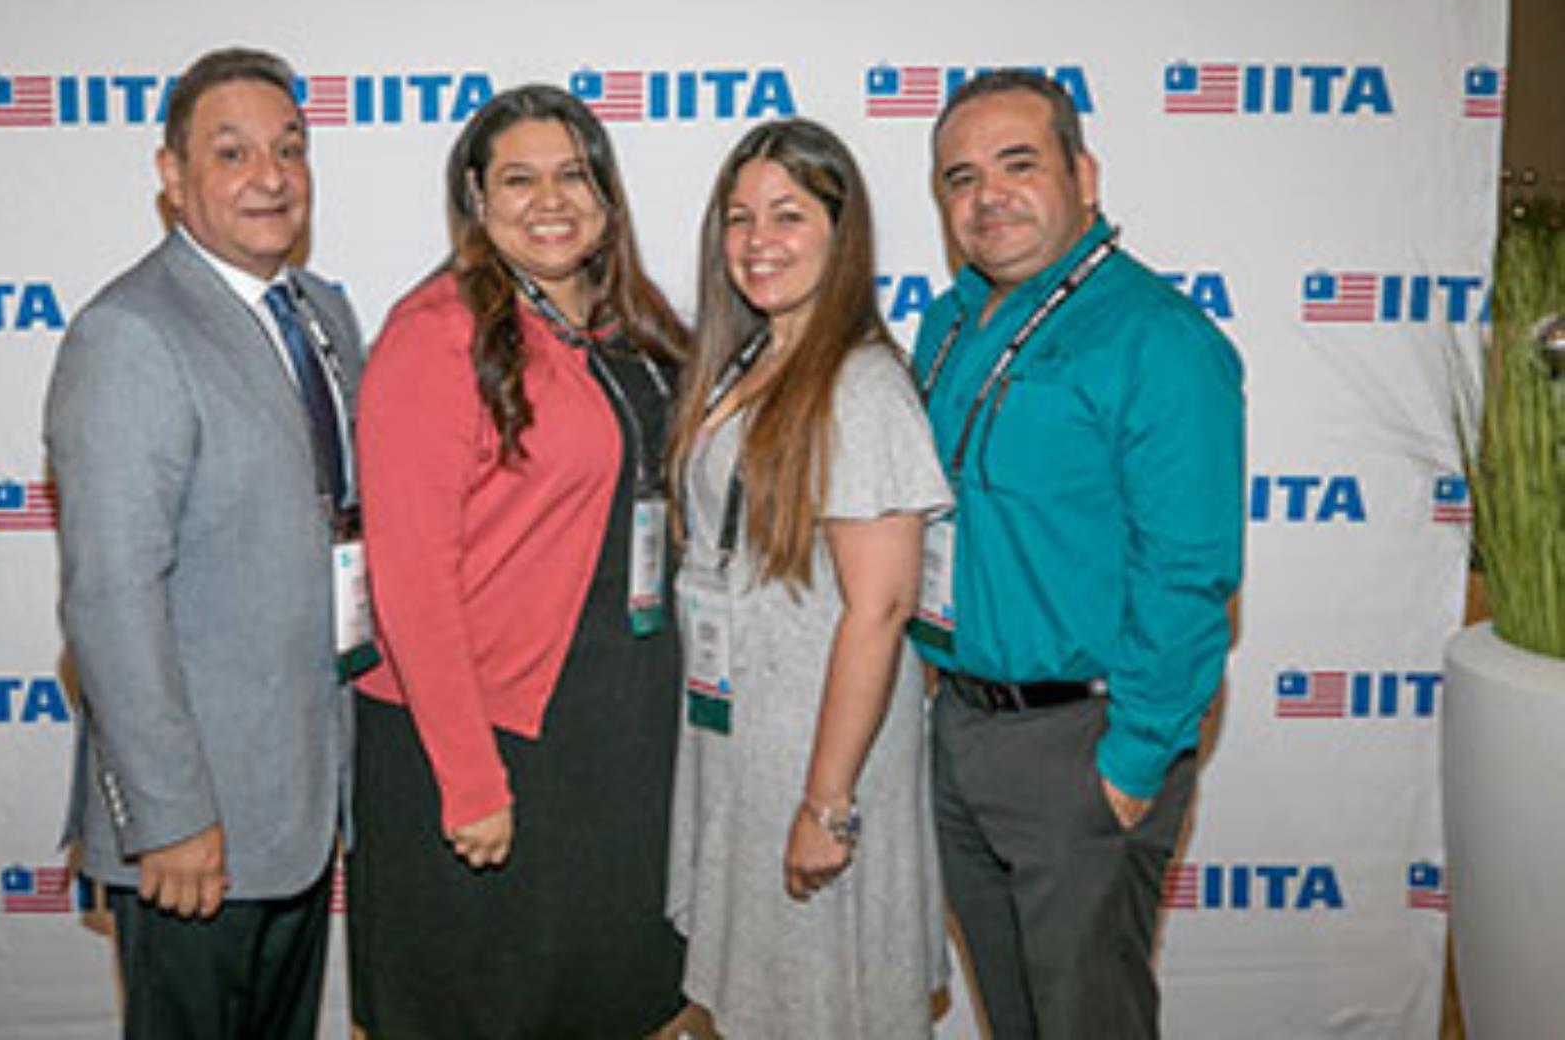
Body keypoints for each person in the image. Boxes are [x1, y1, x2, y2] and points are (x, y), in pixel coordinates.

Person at [347, 83, 690, 1039]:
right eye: (519, 179)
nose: (551, 200)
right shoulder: (438, 332)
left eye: (574, 176)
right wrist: (470, 777)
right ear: (476, 198)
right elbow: (409, 580)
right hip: (488, 734)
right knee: (487, 1009)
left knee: (612, 1002)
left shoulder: (628, 322)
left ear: (608, 196)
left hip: (612, 731)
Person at [912, 69, 1245, 1039]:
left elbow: (1189, 571)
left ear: (1083, 174)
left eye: (1018, 165)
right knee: (1015, 1018)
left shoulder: (1157, 338)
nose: (987, 197)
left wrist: (1133, 761)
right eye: (959, 178)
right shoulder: (947, 323)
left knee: (1087, 1020)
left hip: (1082, 745)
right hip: (962, 725)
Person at [46, 46, 364, 1038]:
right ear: (173, 177)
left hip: (303, 800)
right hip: (198, 829)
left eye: (289, 148)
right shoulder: (129, 336)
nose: (270, 176)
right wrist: (171, 814)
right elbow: (109, 597)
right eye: (231, 153)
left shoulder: (322, 315)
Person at [665, 118, 951, 1038]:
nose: (758, 241)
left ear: (842, 231)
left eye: (788, 215)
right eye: (739, 217)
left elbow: (881, 607)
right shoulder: (752, 358)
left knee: (824, 1006)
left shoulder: (861, 386)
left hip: (821, 754)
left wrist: (827, 804)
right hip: (745, 739)